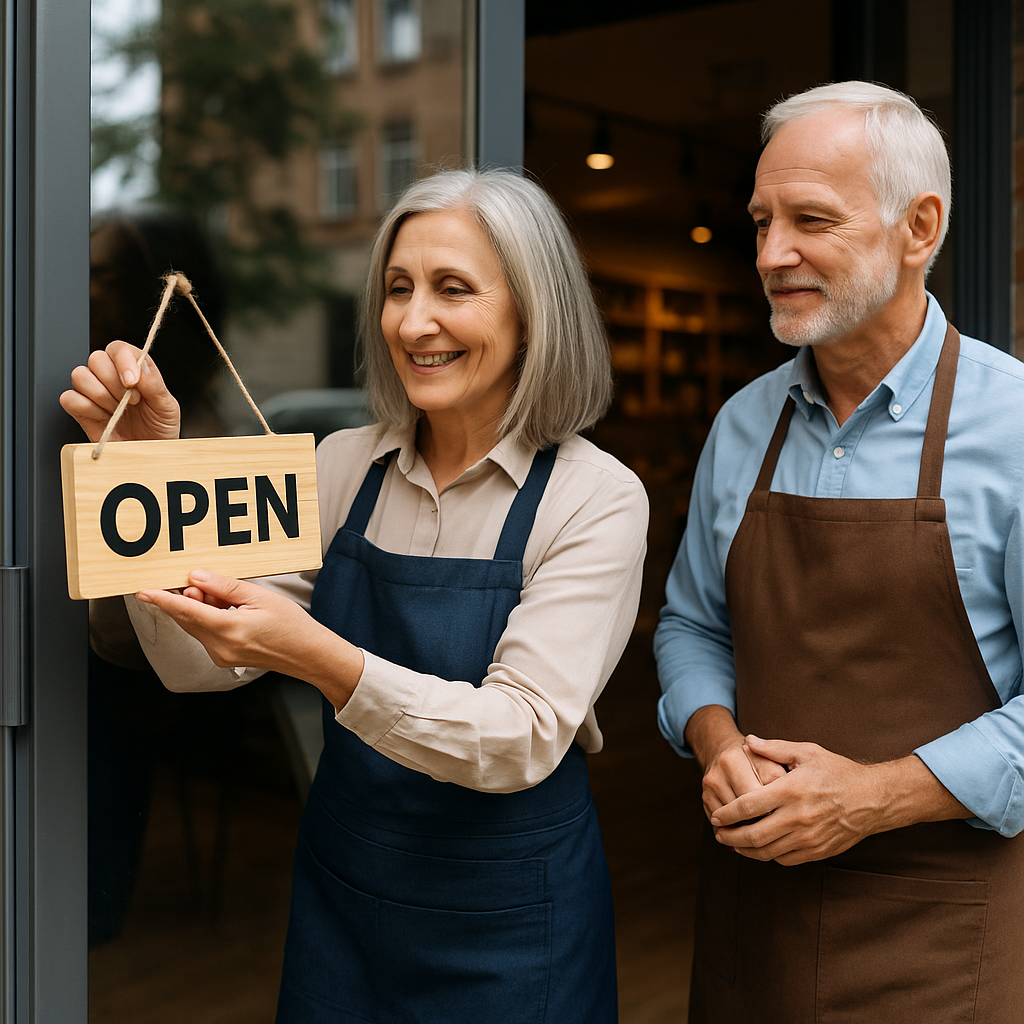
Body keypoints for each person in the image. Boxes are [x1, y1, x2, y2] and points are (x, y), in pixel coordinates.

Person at [62, 168, 648, 1024]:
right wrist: (153, 467)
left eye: (454, 289)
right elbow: (199, 670)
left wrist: (319, 658)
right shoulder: (340, 465)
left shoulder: (597, 498)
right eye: (398, 288)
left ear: (533, 313)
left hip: (512, 924)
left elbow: (519, 736)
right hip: (344, 896)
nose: (414, 323)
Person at [654, 81, 1024, 1023]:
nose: (773, 255)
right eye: (762, 221)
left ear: (920, 227)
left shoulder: (1014, 427)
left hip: (946, 947)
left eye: (811, 220)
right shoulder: (743, 424)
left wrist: (875, 796)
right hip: (754, 930)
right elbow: (692, 624)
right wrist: (715, 741)